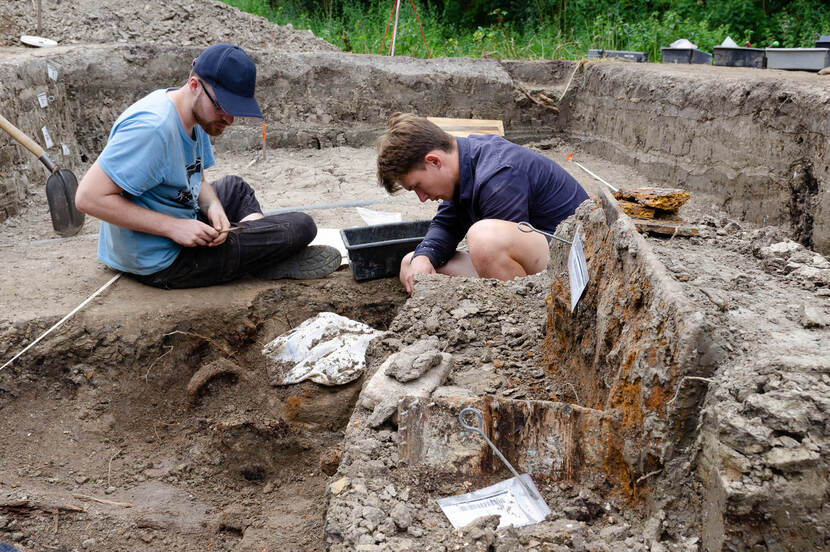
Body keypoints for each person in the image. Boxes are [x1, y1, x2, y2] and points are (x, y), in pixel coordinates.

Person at [75, 43, 340, 289]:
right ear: (194, 85)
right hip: (161, 260)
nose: (229, 119)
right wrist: (174, 227)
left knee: (235, 189)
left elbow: (195, 179)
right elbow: (88, 198)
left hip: (177, 216)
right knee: (302, 226)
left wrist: (213, 206)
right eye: (223, 107)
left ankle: (257, 253)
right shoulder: (152, 129)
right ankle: (261, 256)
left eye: (236, 109)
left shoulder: (195, 115)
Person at [376, 112, 589, 293]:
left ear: (434, 161)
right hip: (540, 260)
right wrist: (423, 257)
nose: (422, 198)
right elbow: (447, 225)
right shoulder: (466, 163)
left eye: (417, 186)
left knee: (485, 239)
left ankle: (523, 319)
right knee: (412, 264)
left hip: (578, 266)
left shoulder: (499, 173)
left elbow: (495, 249)